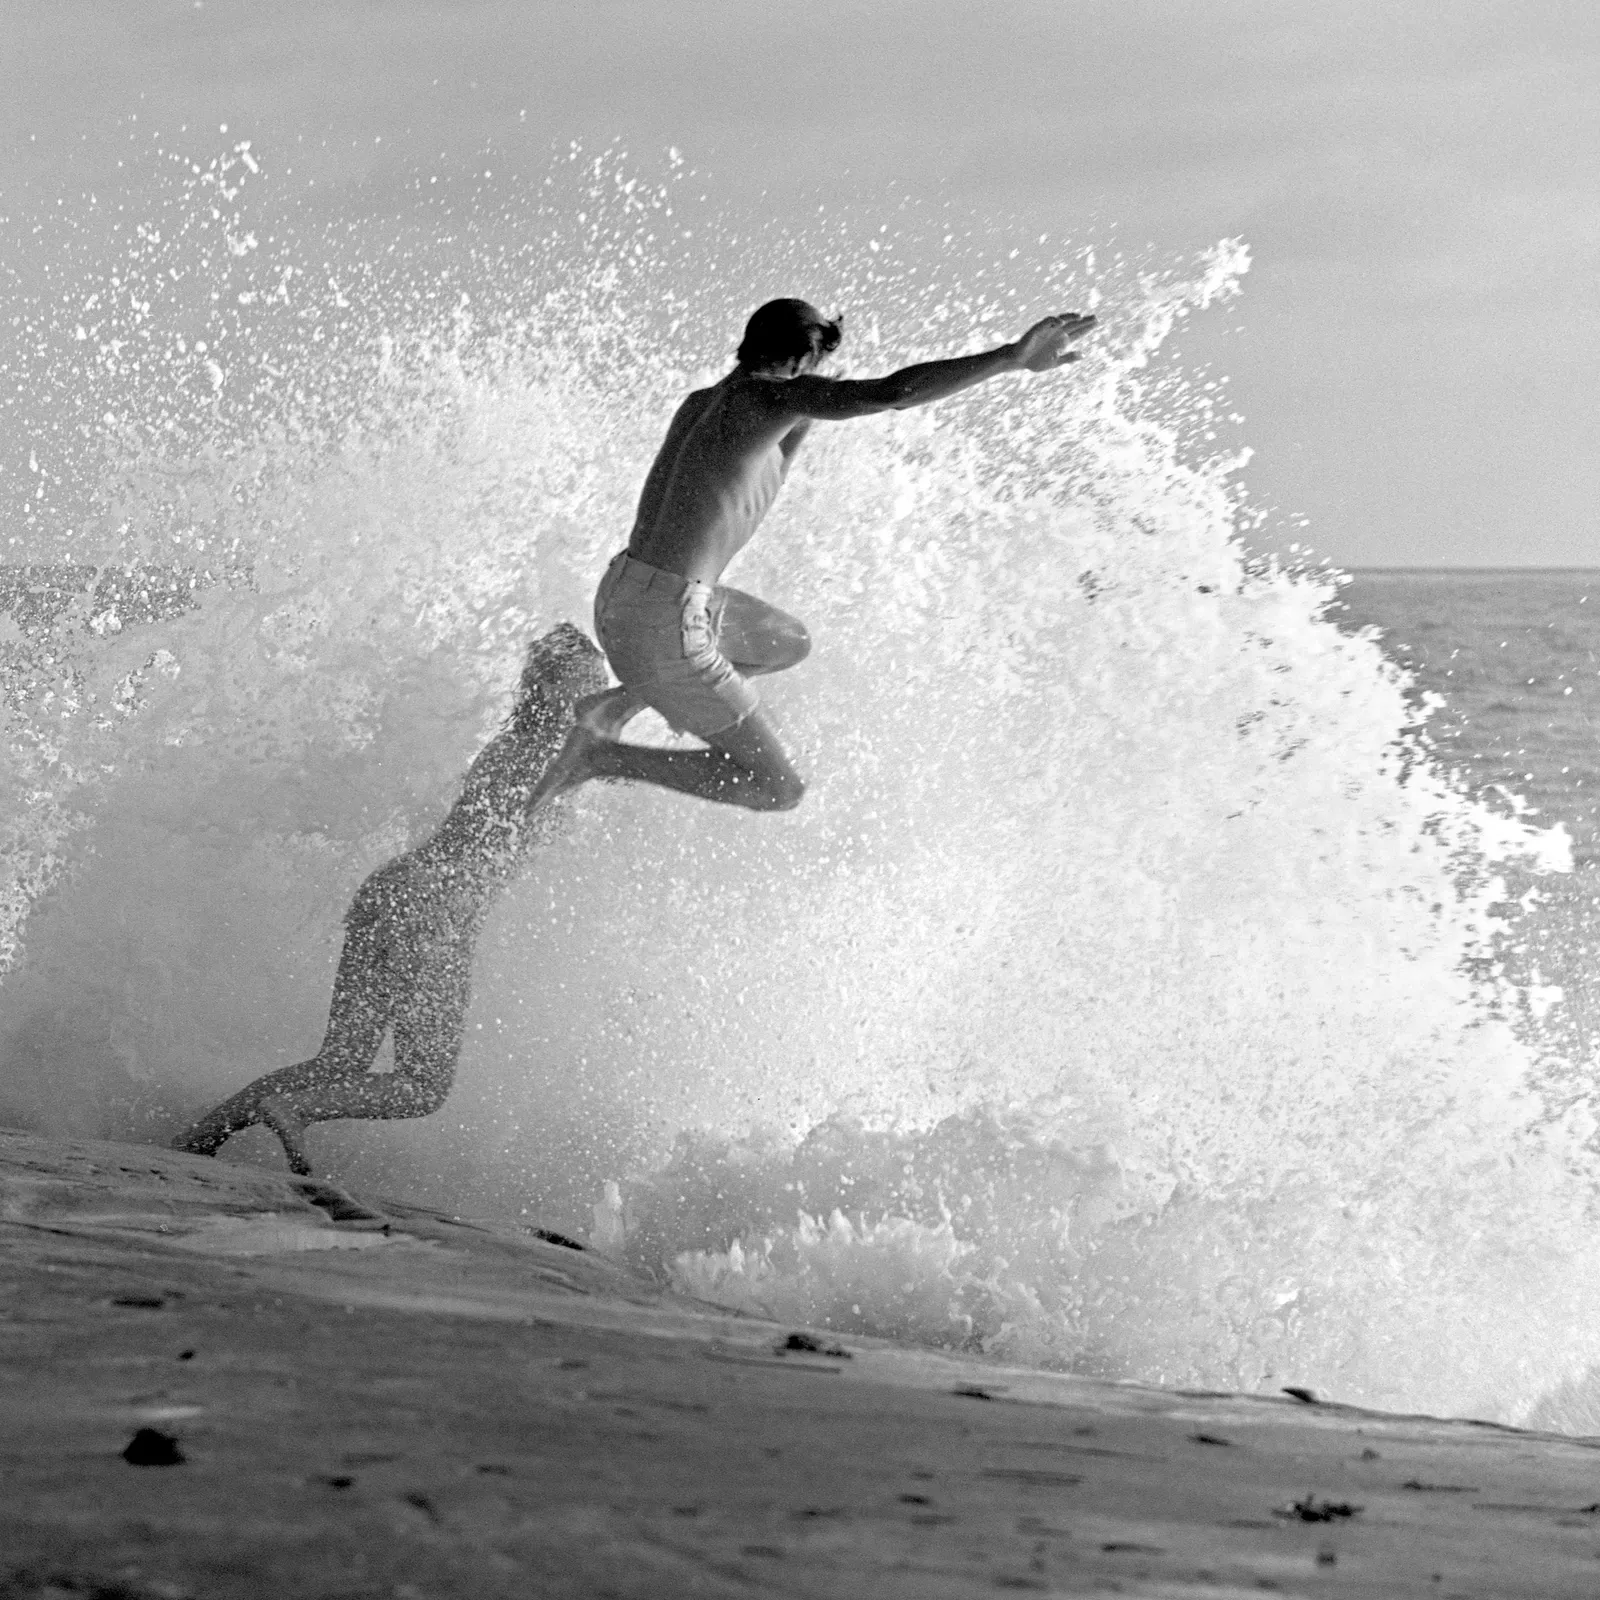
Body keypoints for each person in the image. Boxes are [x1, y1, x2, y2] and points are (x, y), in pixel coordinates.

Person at [529, 297, 1097, 814]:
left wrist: (812, 400)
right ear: (803, 360)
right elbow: (893, 392)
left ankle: (616, 705)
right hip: (666, 624)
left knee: (786, 640)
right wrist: (1010, 357)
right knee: (777, 788)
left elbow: (758, 459)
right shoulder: (770, 397)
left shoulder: (704, 404)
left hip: (623, 594)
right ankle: (600, 757)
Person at [172, 623, 606, 1176]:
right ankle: (294, 1111)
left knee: (341, 1059)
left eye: (602, 684)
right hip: (434, 908)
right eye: (587, 683)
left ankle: (199, 1138)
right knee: (422, 1086)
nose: (600, 696)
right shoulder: (548, 756)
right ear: (548, 689)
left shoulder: (514, 747)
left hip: (393, 889)